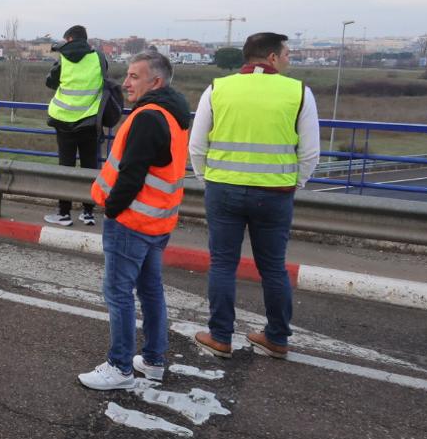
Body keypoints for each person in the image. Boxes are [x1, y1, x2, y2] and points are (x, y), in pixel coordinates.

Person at [189, 31, 320, 360]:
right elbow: (310, 154)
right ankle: (276, 337)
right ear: (272, 57)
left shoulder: (217, 88)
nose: (290, 59)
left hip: (223, 190)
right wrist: (295, 183)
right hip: (274, 194)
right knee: (273, 268)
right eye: (287, 54)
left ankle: (220, 337)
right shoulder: (299, 92)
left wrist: (208, 179)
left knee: (222, 264)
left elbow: (196, 145)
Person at [76, 51, 192, 390]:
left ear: (155, 81)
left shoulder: (148, 117)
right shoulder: (175, 113)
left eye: (134, 76)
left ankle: (120, 367)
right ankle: (154, 360)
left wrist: (112, 208)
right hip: (158, 221)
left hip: (132, 221)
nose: (125, 82)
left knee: (118, 292)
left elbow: (132, 173)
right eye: (127, 75)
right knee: (151, 290)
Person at [44, 25, 110, 227]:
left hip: (64, 122)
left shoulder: (62, 57)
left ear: (70, 38)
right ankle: (88, 213)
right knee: (90, 166)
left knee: (66, 167)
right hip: (90, 122)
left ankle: (64, 214)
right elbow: (104, 80)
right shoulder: (99, 57)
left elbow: (51, 82)